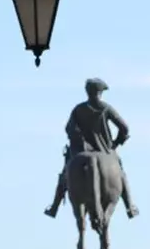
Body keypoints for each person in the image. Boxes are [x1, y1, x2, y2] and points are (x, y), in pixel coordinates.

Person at [46, 79, 139, 220]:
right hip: (104, 150)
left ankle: (54, 206)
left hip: (81, 151)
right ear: (100, 92)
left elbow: (68, 129)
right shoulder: (106, 108)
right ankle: (130, 207)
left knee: (65, 174)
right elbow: (124, 128)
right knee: (120, 172)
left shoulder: (78, 109)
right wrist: (116, 143)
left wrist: (78, 140)